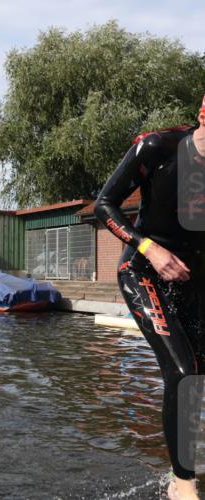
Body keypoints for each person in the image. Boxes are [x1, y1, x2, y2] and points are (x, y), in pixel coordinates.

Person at [95, 97, 205, 500]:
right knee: (183, 372)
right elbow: (103, 205)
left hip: (194, 279)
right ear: (203, 112)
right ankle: (183, 483)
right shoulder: (156, 148)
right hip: (143, 271)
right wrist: (150, 250)